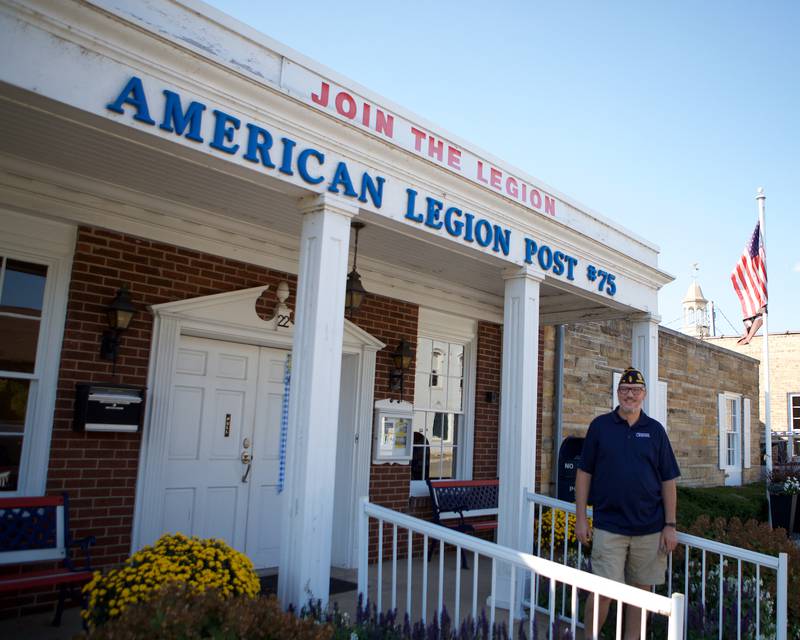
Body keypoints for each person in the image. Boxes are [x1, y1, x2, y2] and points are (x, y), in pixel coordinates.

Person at [575, 367, 680, 640]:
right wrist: (581, 518)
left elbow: (668, 480)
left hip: (649, 528)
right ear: (617, 392)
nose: (629, 394)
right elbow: (584, 473)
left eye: (635, 390)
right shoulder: (600, 427)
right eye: (624, 389)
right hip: (609, 526)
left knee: (640, 595)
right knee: (603, 592)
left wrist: (670, 525)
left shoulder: (655, 431)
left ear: (644, 394)